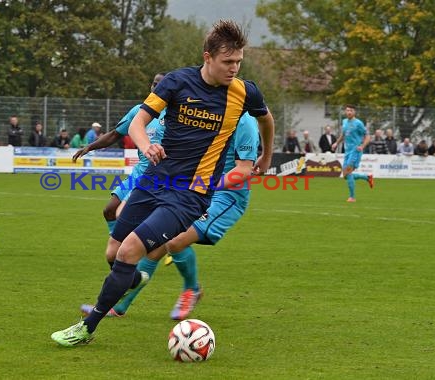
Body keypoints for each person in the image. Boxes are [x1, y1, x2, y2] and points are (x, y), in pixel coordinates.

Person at [51, 19, 275, 347]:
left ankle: (87, 327)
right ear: (207, 57)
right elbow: (139, 123)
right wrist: (146, 146)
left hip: (190, 194)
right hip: (154, 181)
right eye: (228, 62)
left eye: (238, 61)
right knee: (113, 251)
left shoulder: (243, 92)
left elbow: (266, 118)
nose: (234, 69)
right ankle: (136, 277)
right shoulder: (176, 82)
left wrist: (266, 156)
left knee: (129, 251)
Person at [80, 113, 260, 320]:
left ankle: (192, 290)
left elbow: (243, 170)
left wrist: (207, 184)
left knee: (174, 242)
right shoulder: (206, 109)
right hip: (193, 188)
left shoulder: (243, 119)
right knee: (155, 243)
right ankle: (120, 305)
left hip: (226, 195)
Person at [72, 73, 166, 235]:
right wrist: (89, 147)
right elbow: (116, 134)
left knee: (126, 216)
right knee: (110, 211)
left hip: (158, 174)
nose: (156, 88)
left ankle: (136, 249)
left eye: (161, 85)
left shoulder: (174, 114)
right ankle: (121, 247)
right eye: (154, 83)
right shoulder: (139, 111)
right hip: (138, 172)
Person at [331, 104, 373, 203]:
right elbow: (343, 135)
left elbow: (368, 137)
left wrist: (362, 146)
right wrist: (336, 143)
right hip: (347, 151)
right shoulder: (345, 122)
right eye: (347, 110)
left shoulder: (358, 123)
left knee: (348, 173)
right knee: (345, 175)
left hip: (355, 151)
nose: (349, 112)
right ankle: (367, 178)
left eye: (351, 110)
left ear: (354, 112)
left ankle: (352, 197)